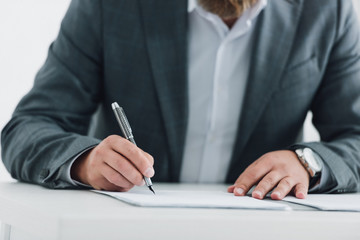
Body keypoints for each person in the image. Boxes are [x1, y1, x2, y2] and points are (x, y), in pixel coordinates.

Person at [2, 0, 360, 200]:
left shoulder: (329, 11)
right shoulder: (110, 7)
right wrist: (85, 163)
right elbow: (26, 129)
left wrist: (308, 163)